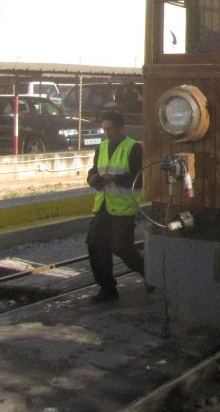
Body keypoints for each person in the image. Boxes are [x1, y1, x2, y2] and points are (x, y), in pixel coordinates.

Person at [86, 109, 148, 302]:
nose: (107, 133)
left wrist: (115, 178)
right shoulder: (101, 147)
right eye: (104, 129)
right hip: (103, 205)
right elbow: (94, 170)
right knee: (95, 244)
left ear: (121, 128)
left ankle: (149, 274)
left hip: (123, 207)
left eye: (111, 129)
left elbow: (140, 179)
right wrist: (92, 178)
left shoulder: (133, 148)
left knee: (121, 247)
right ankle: (107, 288)